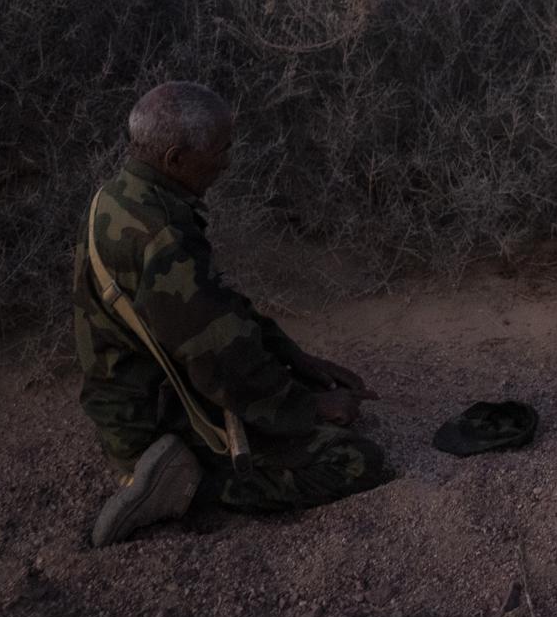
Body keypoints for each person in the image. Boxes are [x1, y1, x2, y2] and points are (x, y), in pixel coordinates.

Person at [74, 81, 389, 547]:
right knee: (358, 461)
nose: (227, 161)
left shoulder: (122, 196)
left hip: (138, 397)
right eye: (220, 150)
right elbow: (219, 363)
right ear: (176, 159)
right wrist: (306, 406)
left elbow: (211, 310)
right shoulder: (162, 237)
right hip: (154, 424)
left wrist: (292, 356)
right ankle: (185, 487)